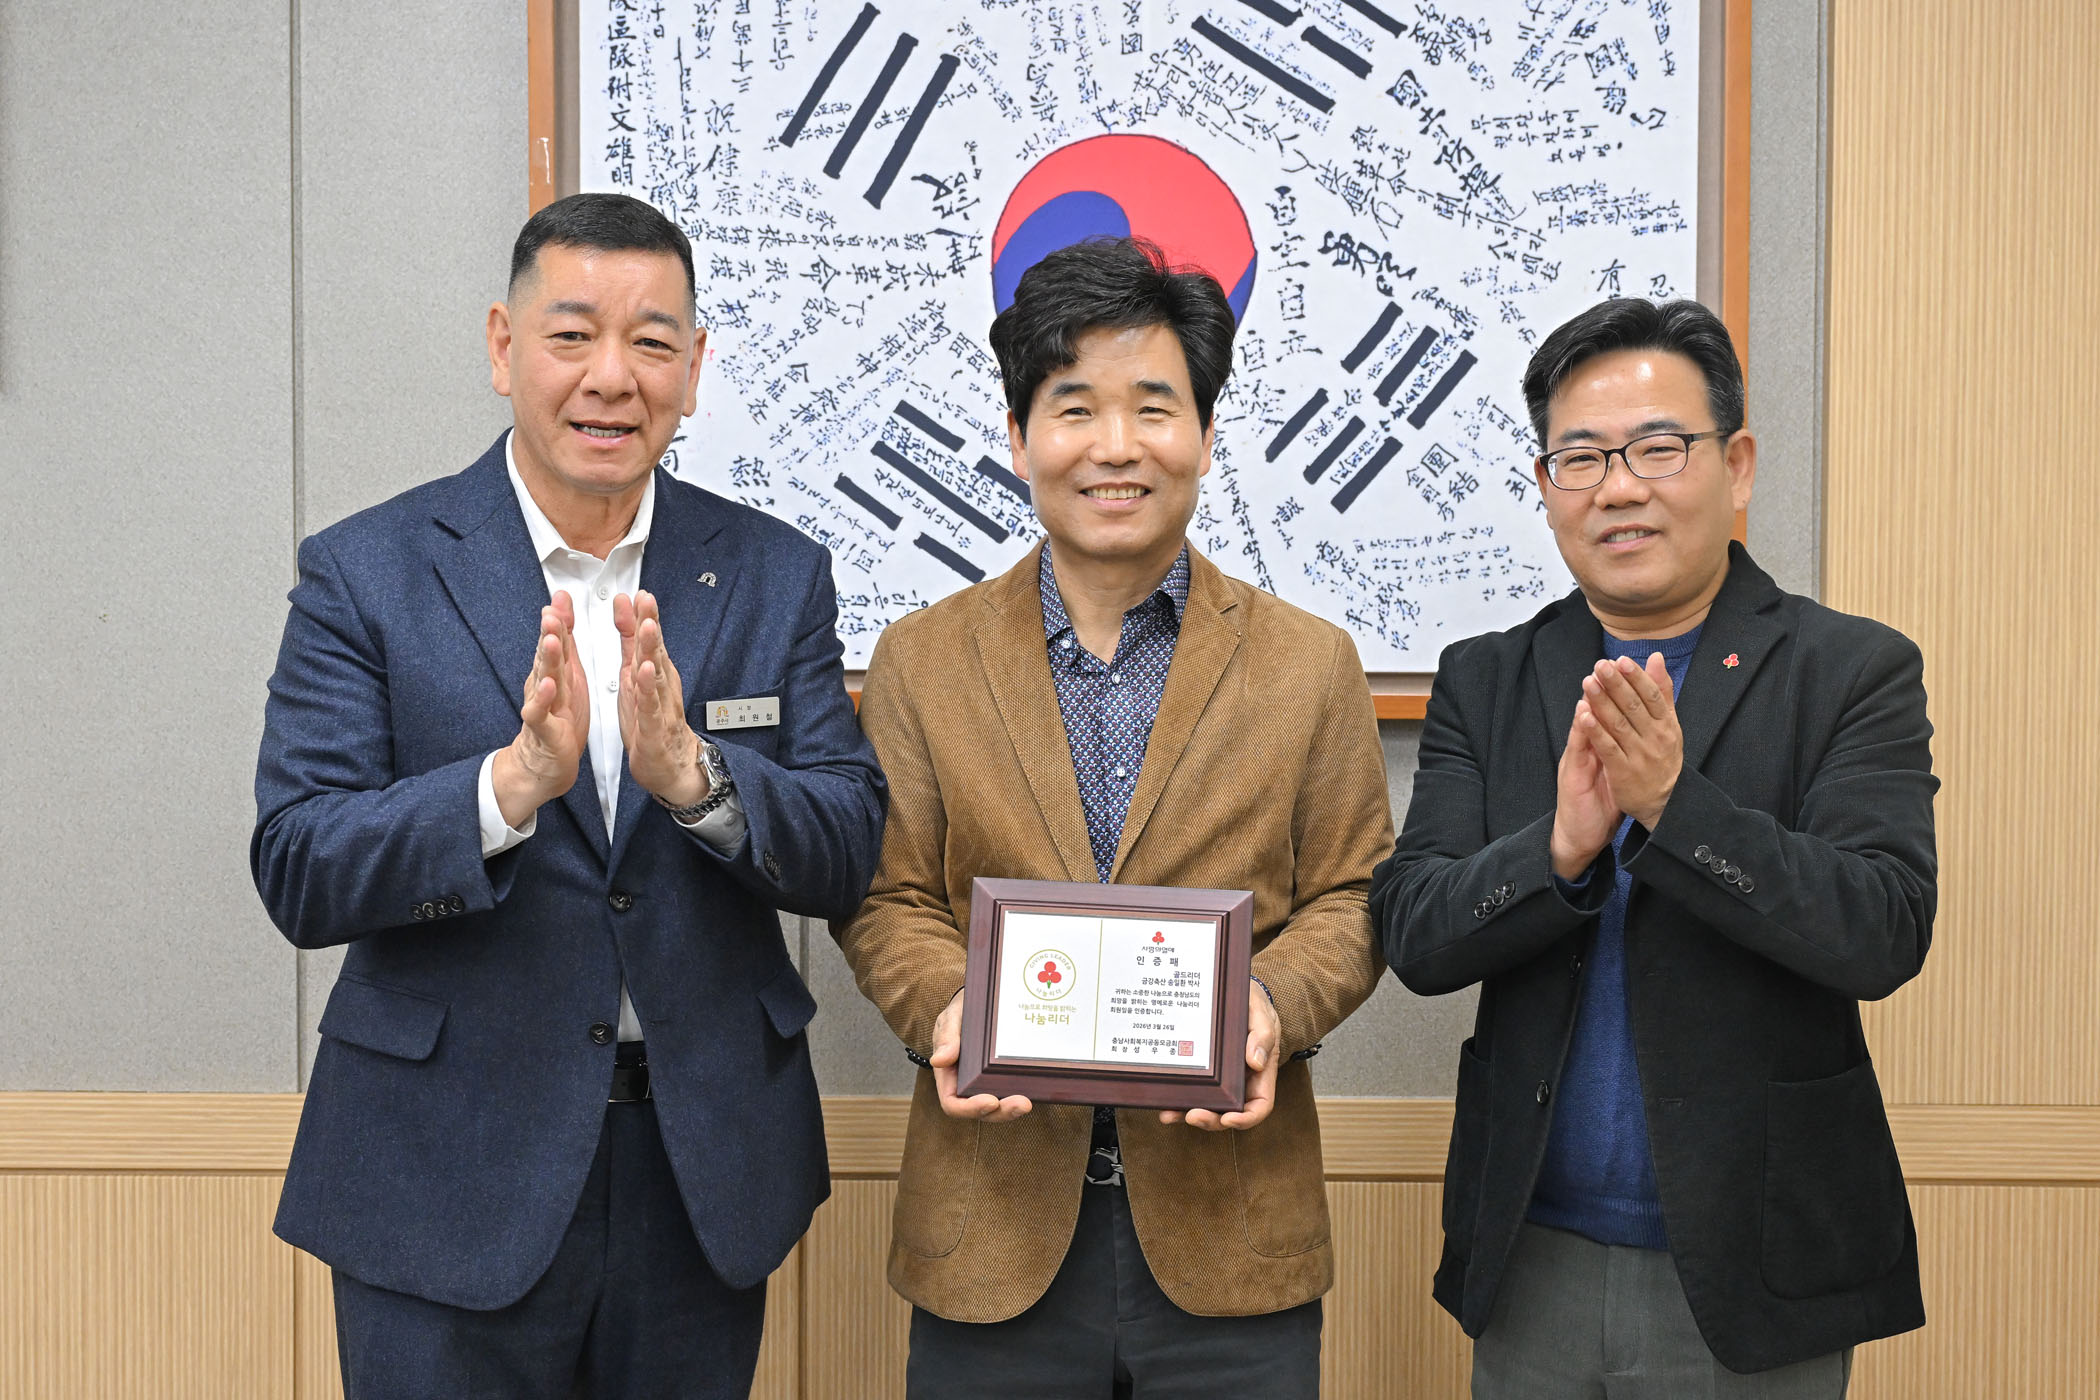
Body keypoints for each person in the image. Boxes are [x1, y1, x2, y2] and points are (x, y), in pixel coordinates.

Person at [251, 192, 887, 1400]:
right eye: (572, 334)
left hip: (699, 1171)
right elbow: (299, 861)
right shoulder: (368, 570)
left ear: (693, 369)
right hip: (442, 1168)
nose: (612, 376)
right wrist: (507, 787)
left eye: (652, 341)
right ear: (503, 347)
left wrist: (695, 778)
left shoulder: (774, 572)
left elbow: (849, 840)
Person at [831, 236, 1393, 1399]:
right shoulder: (923, 659)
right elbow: (887, 895)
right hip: (990, 1227)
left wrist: (1268, 1004)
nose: (1117, 445)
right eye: (1075, 407)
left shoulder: (1309, 663)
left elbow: (1355, 894)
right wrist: (948, 1004)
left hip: (1234, 1235)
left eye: (1154, 406)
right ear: (1019, 434)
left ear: (1206, 431)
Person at [1372, 297, 1936, 1395]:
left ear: (1737, 466)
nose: (1618, 486)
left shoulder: (1850, 670)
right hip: (1529, 1248)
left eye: (1657, 448)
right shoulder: (1487, 677)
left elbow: (1881, 929)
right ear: (1547, 488)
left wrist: (1678, 811)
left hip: (1754, 1263)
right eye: (1580, 457)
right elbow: (1417, 935)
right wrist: (1559, 849)